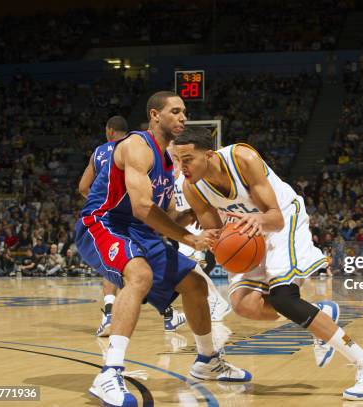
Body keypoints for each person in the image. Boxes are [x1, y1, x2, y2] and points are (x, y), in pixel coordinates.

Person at [173, 128, 363, 401]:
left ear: (208, 155)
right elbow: (218, 235)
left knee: (284, 298)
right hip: (246, 231)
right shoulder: (191, 187)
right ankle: (318, 313)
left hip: (282, 220)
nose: (181, 167)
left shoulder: (242, 159)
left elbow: (275, 217)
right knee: (244, 304)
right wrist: (208, 238)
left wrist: (258, 221)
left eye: (187, 159)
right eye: (177, 159)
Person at [75, 91, 250, 407]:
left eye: (184, 111)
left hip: (140, 232)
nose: (183, 117)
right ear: (155, 115)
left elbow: (164, 215)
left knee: (195, 284)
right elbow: (142, 207)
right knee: (139, 275)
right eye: (176, 111)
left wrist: (194, 213)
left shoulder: (170, 161)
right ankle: (109, 373)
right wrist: (188, 237)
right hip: (103, 223)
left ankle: (208, 359)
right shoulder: (136, 147)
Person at [78, 115, 186, 336]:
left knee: (121, 268)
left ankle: (109, 315)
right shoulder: (140, 147)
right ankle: (168, 314)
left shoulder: (100, 152)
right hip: (139, 219)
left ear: (109, 131)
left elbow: (82, 187)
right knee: (140, 270)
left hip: (109, 219)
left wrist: (102, 204)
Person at [169, 143, 231, 322]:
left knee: (185, 264)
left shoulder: (189, 174)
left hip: (195, 223)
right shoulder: (169, 174)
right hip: (182, 224)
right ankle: (215, 301)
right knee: (186, 267)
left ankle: (217, 302)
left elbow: (206, 197)